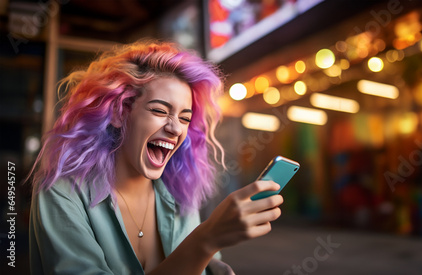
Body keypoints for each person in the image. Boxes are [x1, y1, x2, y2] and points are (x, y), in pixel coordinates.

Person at [28, 40, 284, 275]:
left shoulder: (179, 196)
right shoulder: (61, 193)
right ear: (119, 113)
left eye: (185, 118)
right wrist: (206, 239)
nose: (175, 128)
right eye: (160, 110)